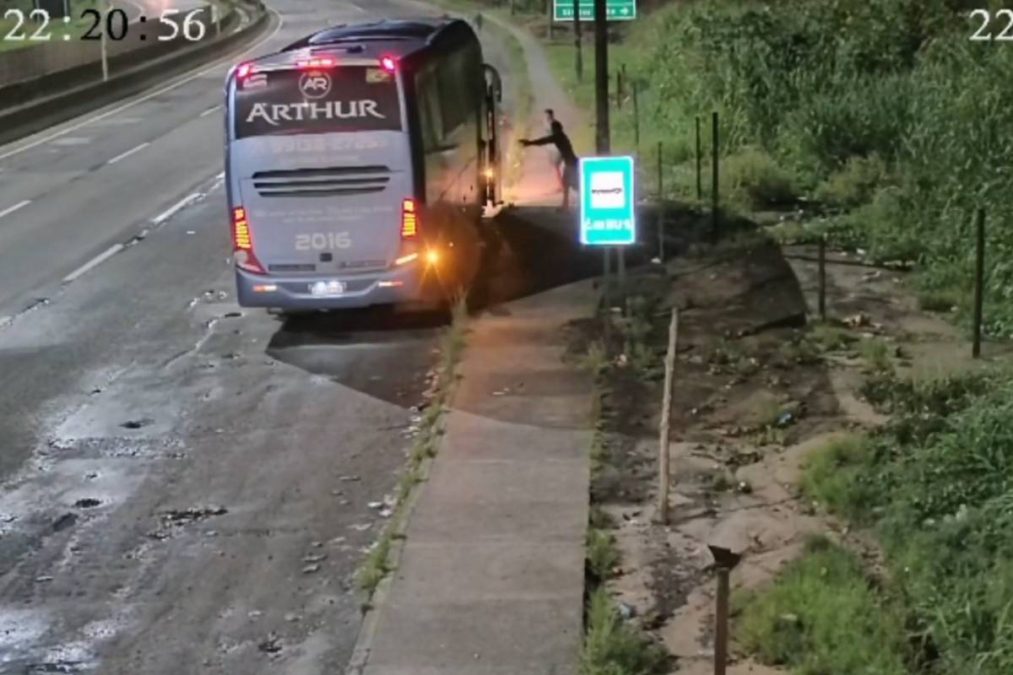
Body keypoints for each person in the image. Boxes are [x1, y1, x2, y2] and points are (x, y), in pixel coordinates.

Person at [520, 116, 579, 210]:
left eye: (553, 129)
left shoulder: (558, 136)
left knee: (573, 185)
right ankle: (565, 205)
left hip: (571, 164)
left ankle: (570, 205)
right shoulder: (561, 136)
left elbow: (544, 141)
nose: (552, 131)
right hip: (571, 163)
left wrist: (529, 143)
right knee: (567, 184)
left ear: (556, 129)